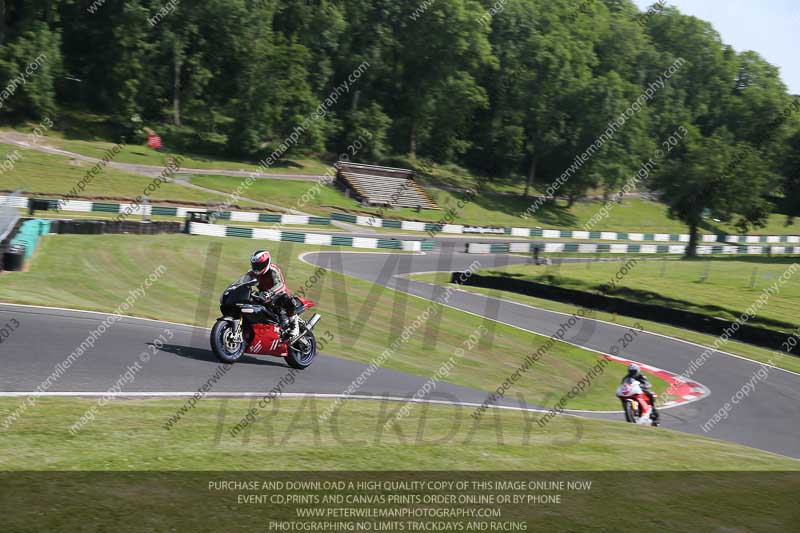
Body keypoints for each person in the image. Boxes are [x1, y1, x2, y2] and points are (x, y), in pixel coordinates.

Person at [248, 250, 300, 340]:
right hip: (263, 297)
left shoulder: (273, 270)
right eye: (255, 265)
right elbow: (245, 281)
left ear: (267, 262)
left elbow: (280, 284)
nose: (257, 267)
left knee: (286, 298)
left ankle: (294, 324)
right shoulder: (251, 272)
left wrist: (270, 293)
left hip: (278, 295)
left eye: (259, 265)